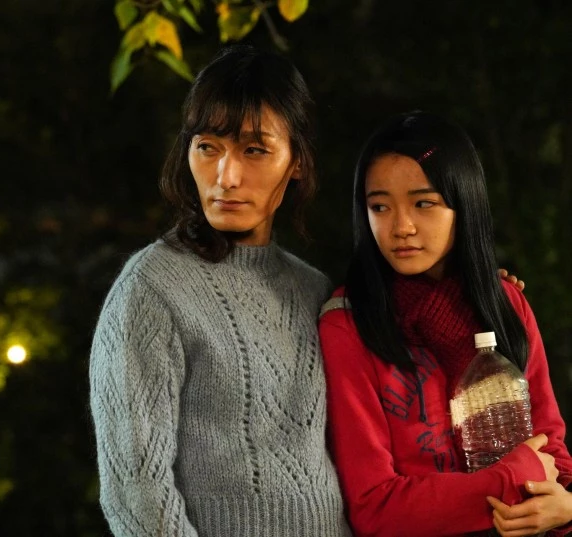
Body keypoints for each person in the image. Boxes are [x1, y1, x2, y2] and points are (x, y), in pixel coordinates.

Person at [89, 45, 352, 537]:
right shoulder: (152, 288)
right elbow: (135, 492)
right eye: (208, 147)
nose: (226, 177)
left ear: (297, 160)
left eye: (255, 150)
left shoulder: (314, 290)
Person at [318, 111, 572, 537]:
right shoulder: (349, 324)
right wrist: (509, 479)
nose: (401, 227)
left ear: (463, 204)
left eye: (424, 203)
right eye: (380, 206)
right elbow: (374, 506)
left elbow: (551, 448)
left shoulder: (504, 302)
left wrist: (564, 508)